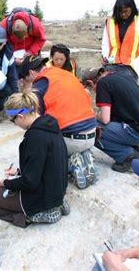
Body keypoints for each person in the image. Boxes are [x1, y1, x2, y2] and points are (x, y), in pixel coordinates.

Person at [0, 91, 69, 228]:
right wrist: (19, 171)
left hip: (39, 196)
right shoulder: (51, 125)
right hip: (56, 191)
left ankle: (30, 216)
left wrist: (5, 183)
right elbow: (47, 164)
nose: (14, 124)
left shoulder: (35, 137)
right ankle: (56, 204)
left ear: (20, 116)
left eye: (13, 121)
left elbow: (30, 182)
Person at [20, 56, 98, 189]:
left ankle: (70, 164)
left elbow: (34, 119)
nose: (30, 83)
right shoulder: (64, 74)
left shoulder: (40, 84)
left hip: (71, 140)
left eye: (27, 80)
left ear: (32, 73)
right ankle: (82, 155)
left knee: (36, 143)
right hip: (92, 134)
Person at [82, 67, 139, 173]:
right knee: (107, 124)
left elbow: (105, 119)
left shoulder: (103, 84)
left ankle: (126, 156)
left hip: (138, 132)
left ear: (91, 82)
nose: (94, 92)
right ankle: (135, 151)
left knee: (89, 128)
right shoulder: (122, 76)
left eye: (91, 89)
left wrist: (94, 115)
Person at [101, 0, 139, 80]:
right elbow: (105, 43)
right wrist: (105, 57)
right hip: (111, 64)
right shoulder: (109, 22)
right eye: (120, 11)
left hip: (131, 67)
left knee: (126, 92)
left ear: (132, 8)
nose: (123, 14)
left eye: (126, 11)